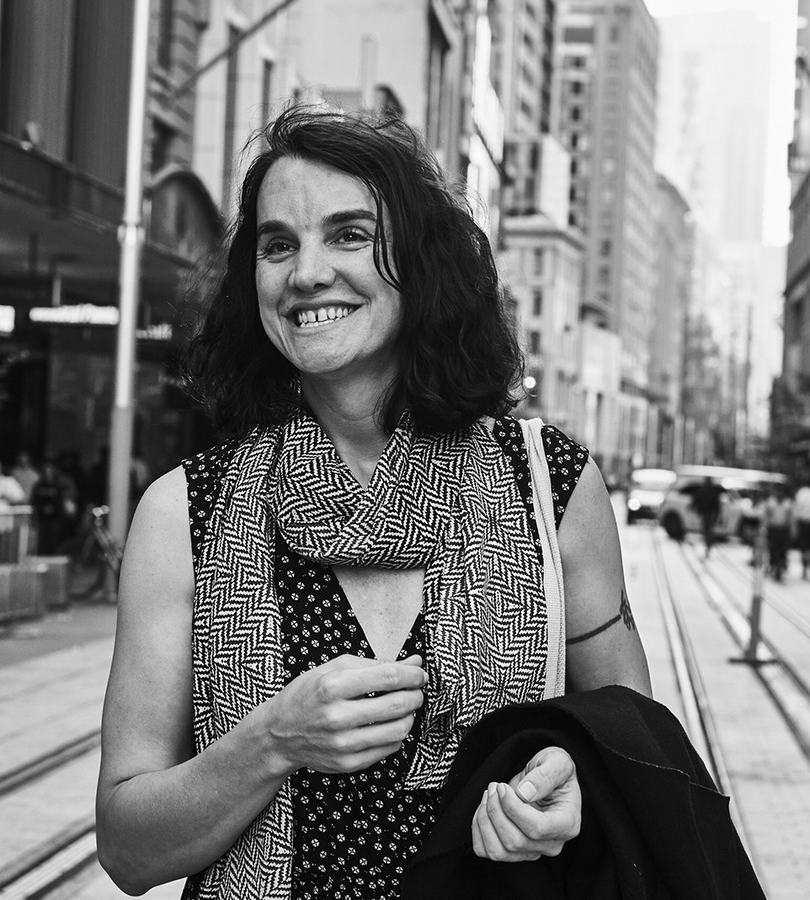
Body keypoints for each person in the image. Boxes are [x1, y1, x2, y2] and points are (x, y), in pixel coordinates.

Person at [95, 108, 652, 899]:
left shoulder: (550, 486)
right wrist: (271, 742)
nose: (306, 273)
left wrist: (574, 786)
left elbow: (634, 750)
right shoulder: (184, 513)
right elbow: (127, 850)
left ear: (422, 264)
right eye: (277, 244)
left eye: (349, 235)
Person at [763, 484, 793, 582]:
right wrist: (765, 527)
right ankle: (772, 565)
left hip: (784, 530)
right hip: (773, 529)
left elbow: (790, 517)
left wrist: (791, 530)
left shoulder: (788, 503)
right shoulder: (771, 502)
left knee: (783, 549)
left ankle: (782, 566)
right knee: (773, 548)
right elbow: (767, 515)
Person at [691, 476, 725, 557]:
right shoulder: (712, 491)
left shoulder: (704, 490)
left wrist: (695, 508)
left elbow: (697, 500)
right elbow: (717, 504)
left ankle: (708, 544)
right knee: (709, 530)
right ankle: (708, 544)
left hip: (706, 512)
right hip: (709, 512)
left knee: (707, 530)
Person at [792, 476, 810, 577]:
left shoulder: (800, 493)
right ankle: (806, 565)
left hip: (803, 523)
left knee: (803, 545)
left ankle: (804, 567)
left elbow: (796, 510)